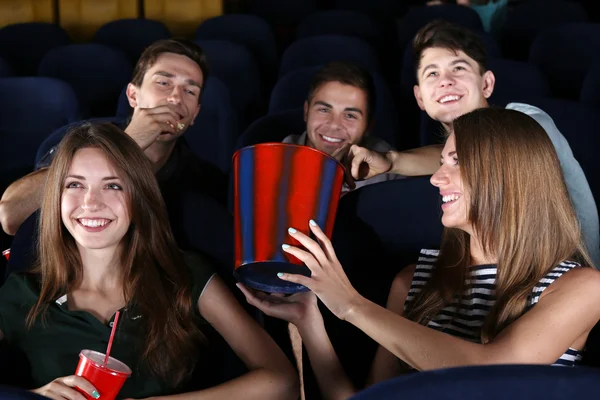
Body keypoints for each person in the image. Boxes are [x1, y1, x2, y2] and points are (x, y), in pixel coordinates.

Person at [238, 108, 600, 400]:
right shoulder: (413, 279)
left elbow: (491, 375)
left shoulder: (581, 287)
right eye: (442, 161)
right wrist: (310, 321)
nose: (435, 178)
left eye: (456, 161)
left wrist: (351, 305)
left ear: (508, 174)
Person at [0, 123, 299, 400]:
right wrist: (34, 396)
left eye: (113, 185)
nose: (91, 202)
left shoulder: (184, 274)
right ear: (56, 198)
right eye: (75, 185)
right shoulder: (22, 293)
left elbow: (282, 381)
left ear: (139, 197)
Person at [347, 20, 600, 266]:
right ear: (420, 98)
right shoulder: (456, 153)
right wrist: (392, 161)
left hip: (568, 276)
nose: (445, 80)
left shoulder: (527, 121)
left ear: (487, 83)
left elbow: (488, 150)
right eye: (432, 73)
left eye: (459, 68)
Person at [0, 38, 228, 237]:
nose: (175, 98)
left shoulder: (206, 181)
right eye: (163, 83)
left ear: (195, 114)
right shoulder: (78, 142)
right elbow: (11, 216)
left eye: (190, 91)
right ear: (133, 95)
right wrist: (127, 145)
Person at [282, 62, 401, 194]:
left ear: (369, 125)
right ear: (306, 112)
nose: (334, 125)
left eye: (350, 115)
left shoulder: (388, 171)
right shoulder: (276, 161)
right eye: (324, 110)